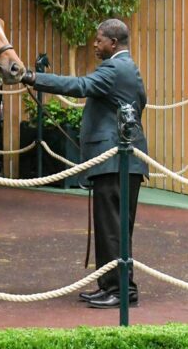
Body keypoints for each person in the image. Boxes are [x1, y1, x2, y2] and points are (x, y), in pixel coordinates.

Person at [21, 19, 148, 309]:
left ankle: (121, 291)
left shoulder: (114, 69)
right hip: (120, 161)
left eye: (99, 39)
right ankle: (111, 286)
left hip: (115, 162)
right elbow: (142, 101)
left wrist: (32, 77)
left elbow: (79, 86)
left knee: (113, 229)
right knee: (111, 228)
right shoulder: (127, 68)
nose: (94, 44)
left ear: (113, 43)